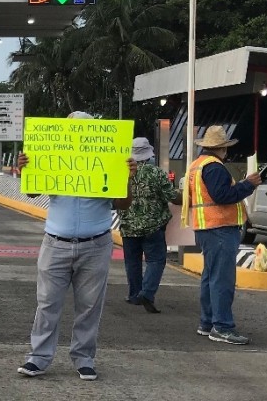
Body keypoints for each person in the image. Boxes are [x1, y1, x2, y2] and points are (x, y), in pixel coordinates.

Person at [17, 111, 137, 381]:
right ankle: (38, 358)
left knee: (90, 305)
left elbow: (123, 204)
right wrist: (27, 167)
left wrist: (126, 177)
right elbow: (33, 191)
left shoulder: (110, 161)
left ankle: (84, 358)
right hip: (55, 243)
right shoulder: (55, 159)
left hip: (96, 244)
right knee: (47, 303)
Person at [183, 125, 261, 345]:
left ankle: (208, 323)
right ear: (222, 149)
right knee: (222, 280)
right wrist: (248, 185)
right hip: (219, 228)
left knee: (210, 278)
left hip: (206, 228)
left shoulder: (198, 165)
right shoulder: (215, 168)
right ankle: (222, 327)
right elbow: (222, 196)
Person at [118, 136, 181, 314]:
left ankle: (134, 295)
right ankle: (147, 293)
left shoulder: (121, 172)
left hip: (128, 226)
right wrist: (186, 196)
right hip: (153, 227)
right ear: (148, 155)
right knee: (156, 260)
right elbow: (172, 197)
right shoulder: (156, 173)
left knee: (132, 262)